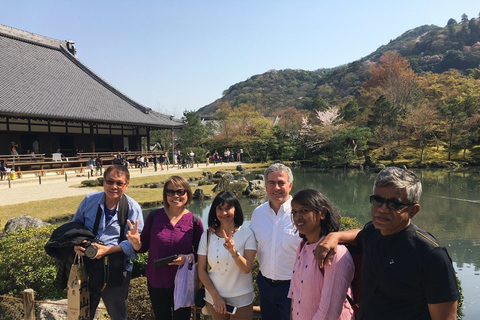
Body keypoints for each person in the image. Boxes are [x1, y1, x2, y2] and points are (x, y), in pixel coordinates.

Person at [316, 167, 460, 320]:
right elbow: (359, 235)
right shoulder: (372, 233)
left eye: (394, 204)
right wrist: (335, 236)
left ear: (413, 210)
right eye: (377, 201)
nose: (382, 209)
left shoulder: (429, 254)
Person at [126, 175, 204, 320]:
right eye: (170, 192)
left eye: (180, 192)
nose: (175, 196)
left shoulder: (194, 221)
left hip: (182, 281)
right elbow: (142, 247)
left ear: (187, 194)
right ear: (165, 194)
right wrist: (136, 242)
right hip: (157, 280)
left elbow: (202, 252)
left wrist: (187, 258)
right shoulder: (155, 216)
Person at [72, 165, 144, 320]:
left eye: (119, 183)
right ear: (103, 182)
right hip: (88, 266)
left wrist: (107, 250)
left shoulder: (132, 208)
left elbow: (136, 244)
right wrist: (78, 244)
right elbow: (75, 226)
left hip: (117, 268)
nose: (114, 187)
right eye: (110, 182)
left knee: (118, 314)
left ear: (127, 185)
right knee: (83, 313)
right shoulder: (89, 201)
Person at [289, 189, 355, 320]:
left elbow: (329, 314)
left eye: (304, 210)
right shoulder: (302, 247)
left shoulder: (335, 254)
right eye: (294, 212)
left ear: (322, 214)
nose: (297, 217)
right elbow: (295, 296)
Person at [249, 163, 301, 320]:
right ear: (265, 186)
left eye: (281, 182)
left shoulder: (301, 213)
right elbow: (247, 241)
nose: (276, 187)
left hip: (294, 287)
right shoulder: (258, 213)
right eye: (271, 183)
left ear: (290, 185)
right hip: (265, 285)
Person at [197, 191, 257, 319]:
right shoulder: (207, 235)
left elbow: (247, 268)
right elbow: (201, 270)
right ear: (214, 210)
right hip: (214, 299)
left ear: (236, 209)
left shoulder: (247, 234)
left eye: (228, 208)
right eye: (220, 208)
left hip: (242, 299)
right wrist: (216, 296)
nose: (224, 213)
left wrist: (233, 251)